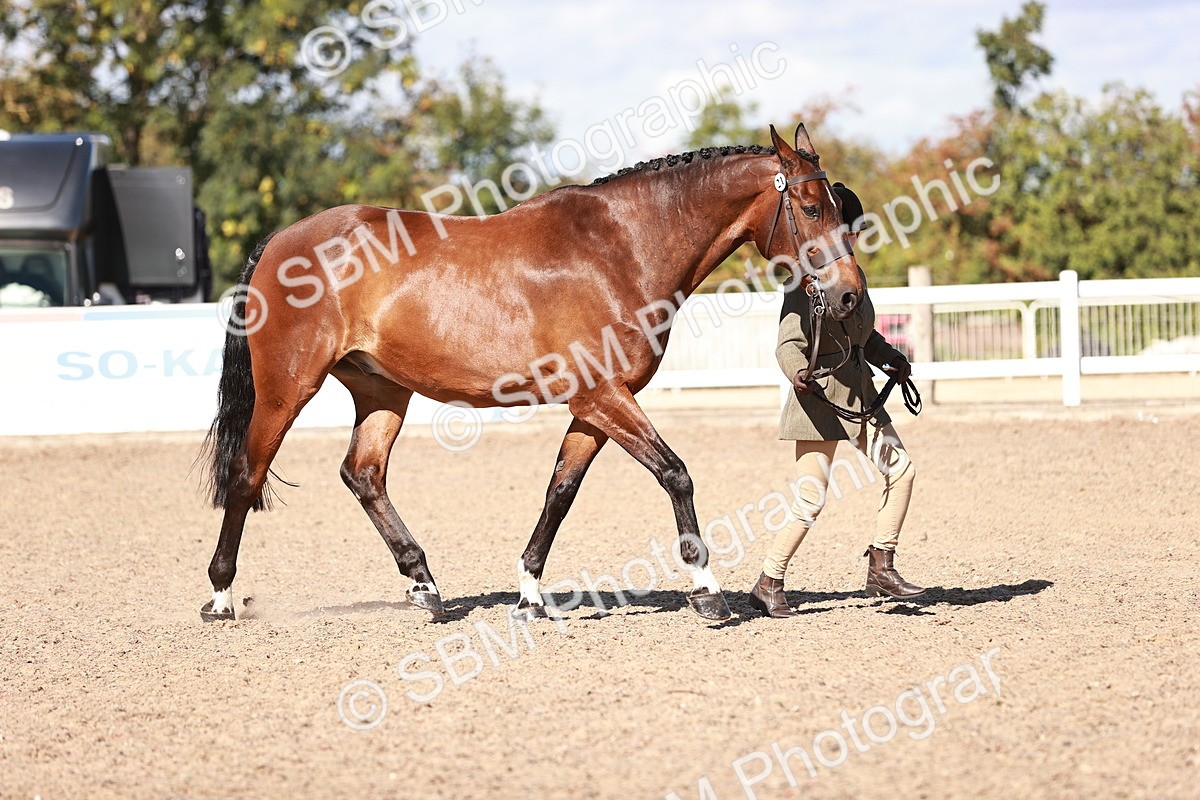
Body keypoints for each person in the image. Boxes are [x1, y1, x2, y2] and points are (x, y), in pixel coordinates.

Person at [748, 182, 926, 619]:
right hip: (818, 401)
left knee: (901, 470)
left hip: (860, 396)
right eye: (845, 232)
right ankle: (768, 582)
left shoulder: (853, 277)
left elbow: (864, 335)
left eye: (854, 232)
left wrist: (891, 358)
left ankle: (881, 567)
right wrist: (798, 374)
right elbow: (787, 345)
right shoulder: (803, 283)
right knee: (810, 499)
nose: (852, 240)